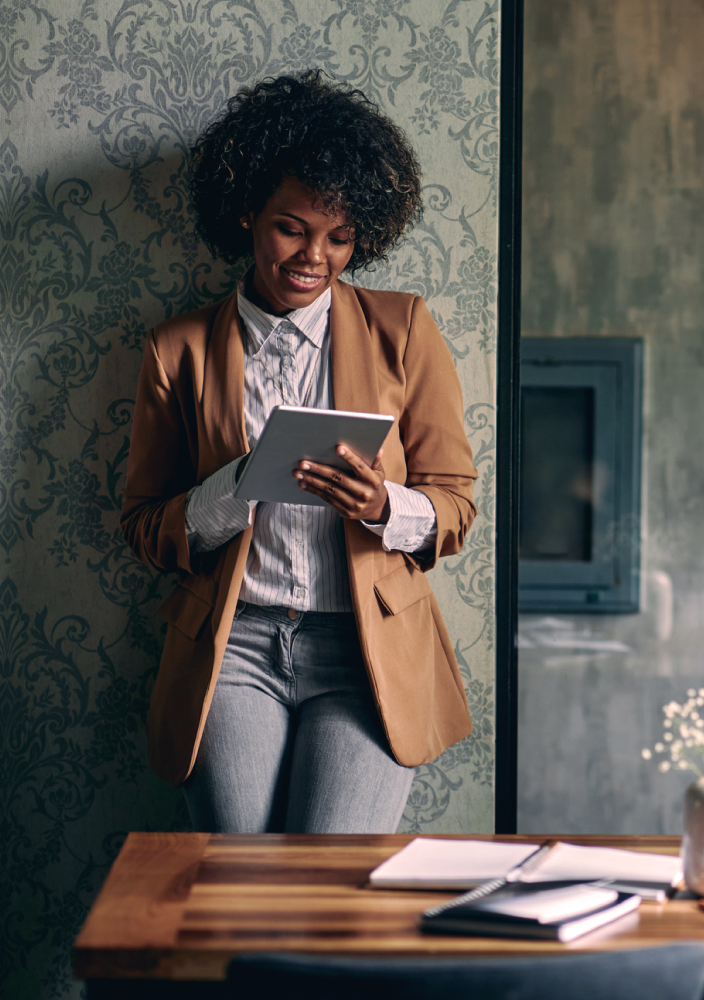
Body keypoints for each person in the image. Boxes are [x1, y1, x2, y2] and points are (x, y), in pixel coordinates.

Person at [120, 71, 477, 834]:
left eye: (340, 238)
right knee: (238, 884)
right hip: (235, 642)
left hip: (365, 648)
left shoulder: (405, 329)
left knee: (330, 887)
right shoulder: (173, 350)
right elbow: (145, 527)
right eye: (293, 228)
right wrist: (236, 487)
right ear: (246, 213)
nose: (315, 256)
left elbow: (456, 506)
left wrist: (388, 506)